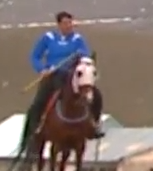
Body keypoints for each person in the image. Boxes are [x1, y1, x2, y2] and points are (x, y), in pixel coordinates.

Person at [23, 11, 105, 142]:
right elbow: (35, 56)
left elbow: (86, 55)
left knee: (96, 95)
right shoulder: (48, 38)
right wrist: (42, 69)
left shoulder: (77, 39)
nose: (69, 26)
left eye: (70, 23)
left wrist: (82, 55)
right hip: (52, 75)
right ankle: (35, 129)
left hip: (72, 75)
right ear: (59, 24)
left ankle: (95, 125)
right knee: (38, 102)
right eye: (66, 23)